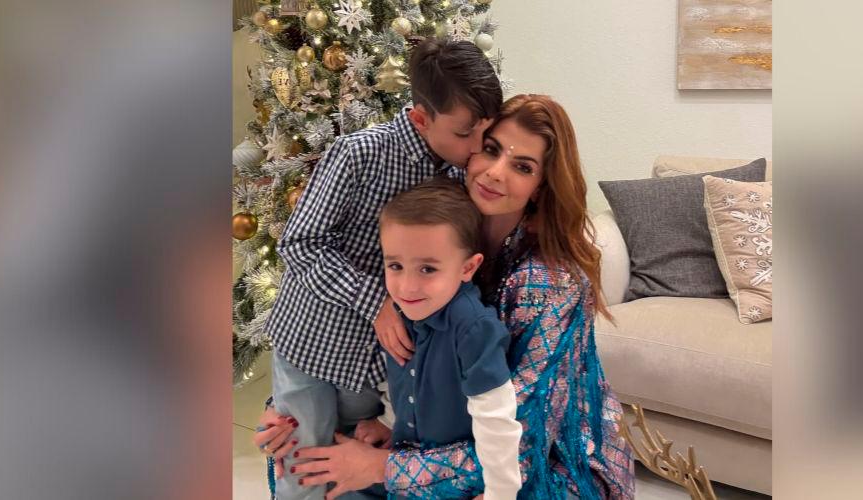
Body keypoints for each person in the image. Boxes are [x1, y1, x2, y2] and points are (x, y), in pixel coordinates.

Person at [289, 95, 636, 499]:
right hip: (440, 435)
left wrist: (382, 467)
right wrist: (290, 408)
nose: (494, 173)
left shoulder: (550, 284)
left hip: (545, 463)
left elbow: (522, 445)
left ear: (541, 187)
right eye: (490, 150)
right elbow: (342, 322)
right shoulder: (435, 215)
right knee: (309, 458)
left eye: (522, 167)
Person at [251, 38, 502, 500]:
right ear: (422, 118)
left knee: (357, 471)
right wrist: (377, 302)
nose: (476, 149)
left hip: (379, 367)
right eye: (465, 133)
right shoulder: (359, 154)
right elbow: (300, 243)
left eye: (483, 135)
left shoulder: (459, 175)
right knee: (304, 472)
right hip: (311, 347)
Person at [377, 178, 523, 499]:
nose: (407, 286)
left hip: (455, 482)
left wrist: (500, 493)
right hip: (408, 469)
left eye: (427, 269)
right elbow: (403, 379)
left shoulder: (473, 327)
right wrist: (387, 422)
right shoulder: (404, 310)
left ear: (468, 268)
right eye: (395, 266)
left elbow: (496, 418)